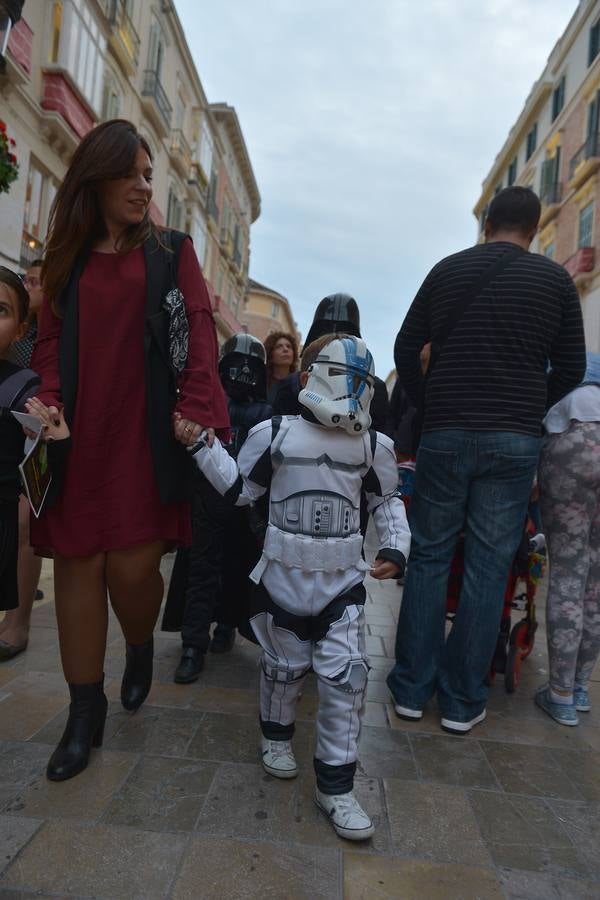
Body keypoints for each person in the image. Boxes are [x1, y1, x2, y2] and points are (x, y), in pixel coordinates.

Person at [29, 119, 229, 782]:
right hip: (78, 438)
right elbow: (51, 344)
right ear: (99, 176)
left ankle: (139, 644)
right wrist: (48, 400)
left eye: (151, 175)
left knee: (132, 574)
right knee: (81, 569)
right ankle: (84, 711)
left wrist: (197, 411)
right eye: (134, 174)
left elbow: (199, 336)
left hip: (147, 438)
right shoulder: (69, 255)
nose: (147, 186)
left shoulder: (173, 252)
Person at [188, 334, 410, 841]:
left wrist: (397, 549)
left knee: (347, 678)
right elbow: (240, 490)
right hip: (283, 577)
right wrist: (203, 446)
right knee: (283, 670)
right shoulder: (275, 434)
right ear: (308, 378)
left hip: (341, 584)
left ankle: (336, 787)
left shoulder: (373, 446)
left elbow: (386, 502)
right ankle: (275, 737)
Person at [387, 186, 586, 734]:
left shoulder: (447, 270)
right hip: (513, 440)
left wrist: (433, 400)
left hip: (447, 431)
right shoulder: (554, 281)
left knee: (428, 557)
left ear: (488, 222)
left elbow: (407, 348)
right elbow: (570, 368)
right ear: (536, 229)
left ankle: (410, 688)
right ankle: (461, 700)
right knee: (488, 564)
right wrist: (528, 407)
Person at [162, 333, 272, 682]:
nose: (242, 373)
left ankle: (224, 626)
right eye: (236, 365)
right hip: (205, 499)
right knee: (201, 572)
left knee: (237, 569)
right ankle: (194, 643)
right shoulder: (206, 404)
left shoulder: (267, 414)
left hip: (245, 503)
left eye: (250, 367)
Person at [535, 352, 600, 726]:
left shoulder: (561, 366)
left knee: (568, 573)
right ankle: (579, 687)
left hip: (572, 442)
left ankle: (559, 695)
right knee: (595, 581)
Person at [0, 259, 45, 657]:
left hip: (15, 480)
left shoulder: (24, 380)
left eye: (2, 310)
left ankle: (18, 622)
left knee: (23, 522)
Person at [273, 294, 392, 435]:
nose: (334, 336)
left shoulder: (374, 387)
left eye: (343, 332)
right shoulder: (292, 384)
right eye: (325, 331)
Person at [264, 331, 298, 406]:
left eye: (289, 346)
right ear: (270, 354)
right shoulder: (261, 383)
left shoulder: (299, 383)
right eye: (279, 347)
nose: (285, 349)